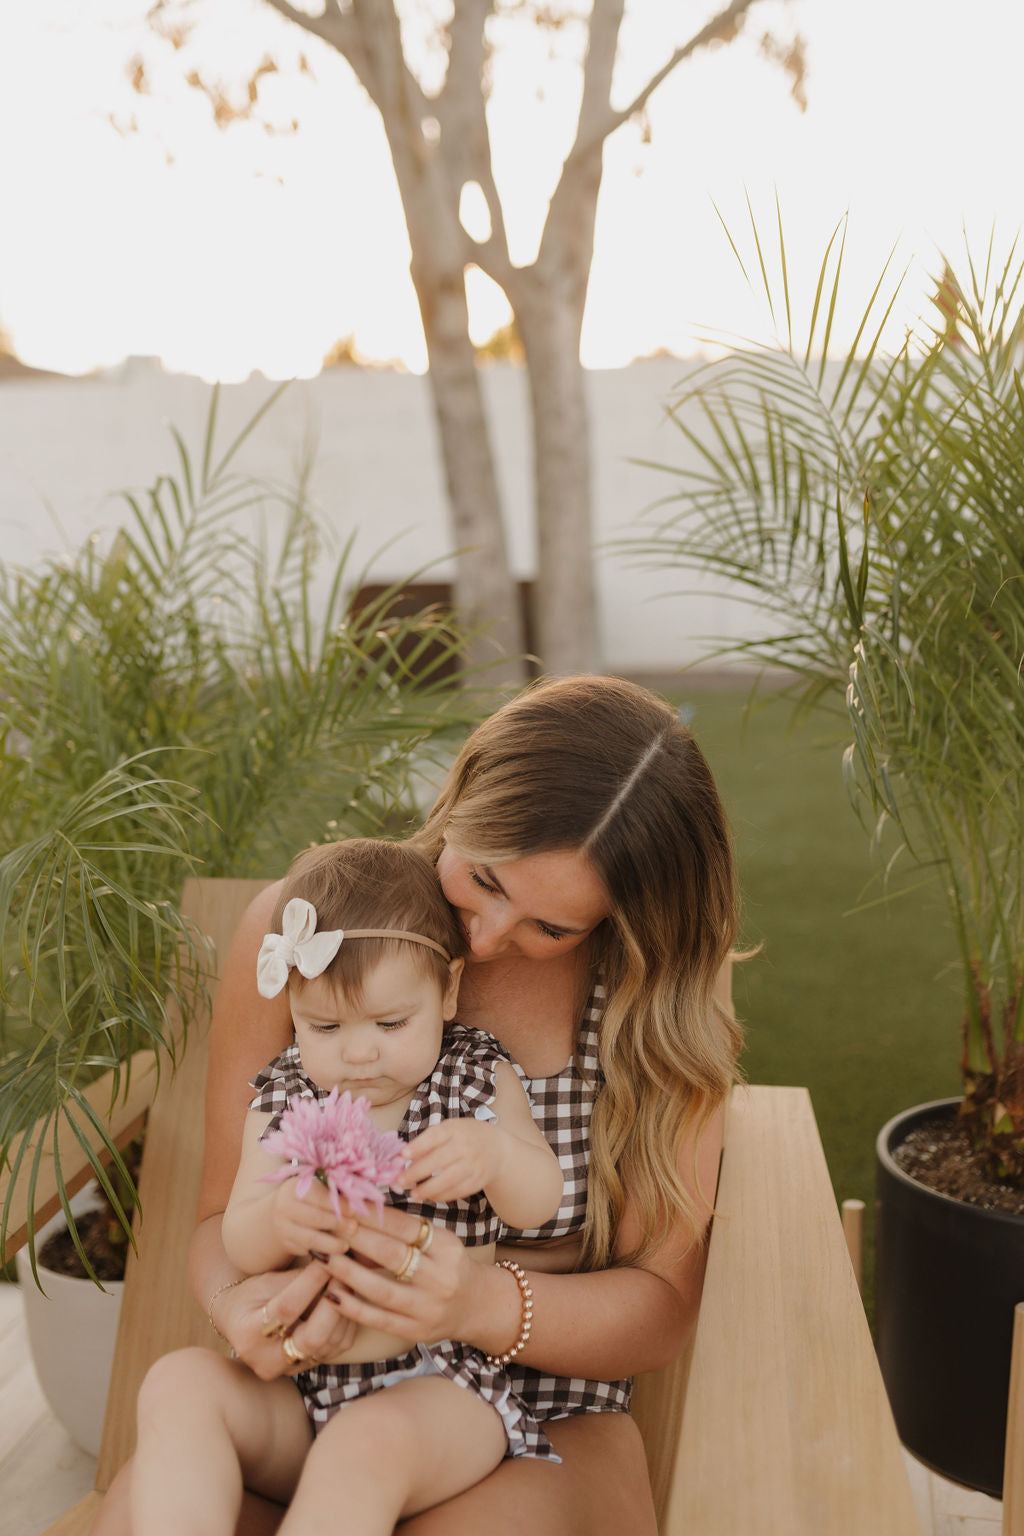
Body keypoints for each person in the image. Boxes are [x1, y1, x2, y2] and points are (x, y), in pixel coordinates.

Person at [96, 673, 741, 1536]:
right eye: (484, 879)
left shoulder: (645, 1010)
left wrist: (475, 1303)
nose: (484, 939)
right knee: (159, 1474)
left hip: (536, 1415)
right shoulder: (318, 939)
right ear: (463, 792)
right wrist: (238, 1307)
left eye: (552, 929)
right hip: (314, 1385)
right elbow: (222, 1221)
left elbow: (660, 1304)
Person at [125, 839, 565, 1535]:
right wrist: (280, 1217)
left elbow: (543, 1199)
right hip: (303, 1384)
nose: (359, 1053)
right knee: (178, 1383)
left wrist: (496, 1156)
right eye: (324, 1027)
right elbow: (238, 1234)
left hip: (441, 1388)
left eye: (392, 1023)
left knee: (365, 1446)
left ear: (447, 990)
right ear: (294, 1011)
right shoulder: (285, 1099)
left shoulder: (474, 1082)